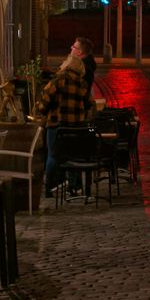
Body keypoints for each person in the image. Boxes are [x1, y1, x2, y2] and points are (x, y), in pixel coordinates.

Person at [35, 53, 92, 198]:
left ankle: (49, 188)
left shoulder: (58, 80)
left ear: (67, 65)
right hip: (76, 128)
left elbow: (44, 102)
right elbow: (89, 105)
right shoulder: (83, 84)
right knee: (72, 156)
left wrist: (43, 109)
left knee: (53, 156)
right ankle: (72, 188)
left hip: (56, 126)